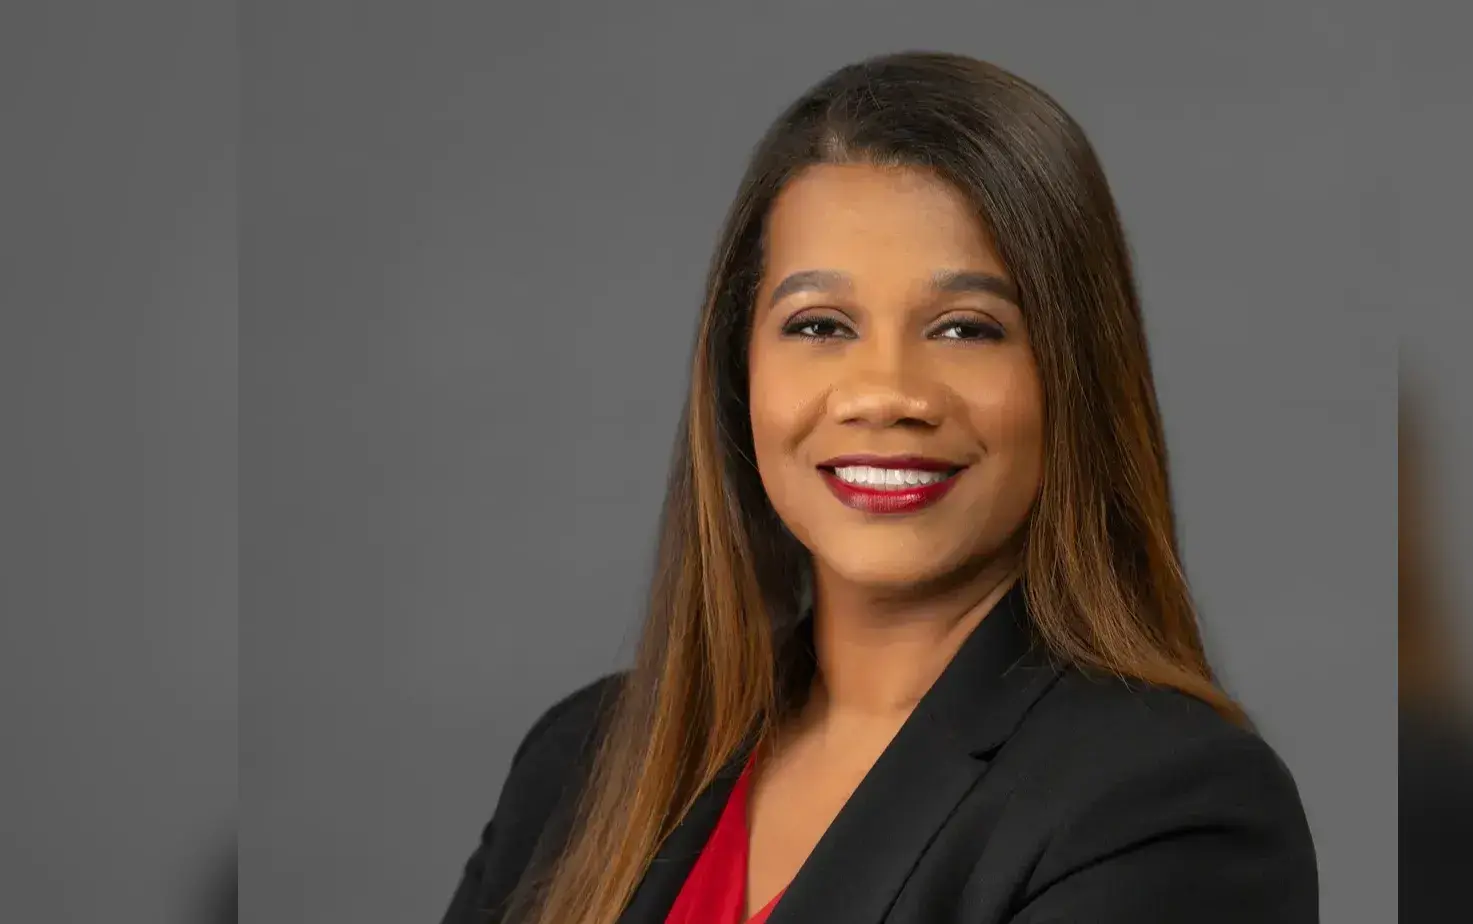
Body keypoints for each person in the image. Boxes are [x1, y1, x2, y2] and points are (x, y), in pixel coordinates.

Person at [440, 50, 1317, 924]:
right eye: (820, 325)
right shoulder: (581, 765)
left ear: (1073, 376)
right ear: (739, 371)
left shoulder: (1169, 810)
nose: (886, 393)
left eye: (965, 329)